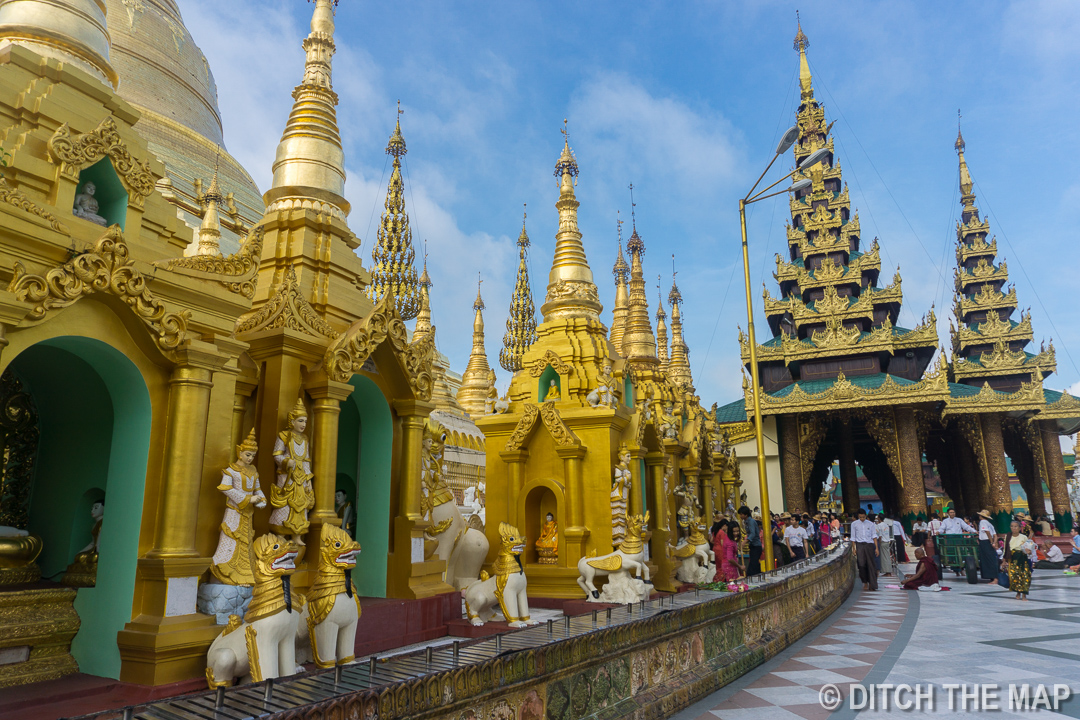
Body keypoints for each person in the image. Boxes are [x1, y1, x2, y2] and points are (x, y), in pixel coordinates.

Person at [1003, 520, 1033, 601]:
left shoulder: (1023, 537)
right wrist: (1004, 560)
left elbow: (1028, 548)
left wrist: (1029, 551)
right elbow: (1006, 549)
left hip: (1022, 558)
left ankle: (1024, 594)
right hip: (1012, 558)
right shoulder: (1008, 536)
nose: (1014, 528)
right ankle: (1018, 592)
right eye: (1012, 526)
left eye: (1016, 526)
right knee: (1014, 576)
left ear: (1020, 528)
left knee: (1025, 576)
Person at [851, 509, 879, 591]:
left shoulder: (870, 524)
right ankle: (865, 582)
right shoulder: (854, 524)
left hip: (869, 545)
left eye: (863, 517)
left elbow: (874, 536)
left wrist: (876, 548)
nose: (862, 518)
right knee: (861, 564)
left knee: (871, 564)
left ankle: (872, 583)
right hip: (859, 545)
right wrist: (854, 548)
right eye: (860, 517)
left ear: (866, 516)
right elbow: (853, 537)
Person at [976, 509, 999, 582]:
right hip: (989, 542)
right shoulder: (990, 523)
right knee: (991, 559)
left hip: (985, 542)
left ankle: (994, 578)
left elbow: (987, 532)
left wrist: (991, 542)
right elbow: (995, 535)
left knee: (988, 559)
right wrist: (994, 543)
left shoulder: (982, 522)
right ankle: (993, 576)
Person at [738, 506, 762, 576]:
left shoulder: (751, 521)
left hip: (756, 546)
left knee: (753, 564)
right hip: (752, 545)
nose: (740, 516)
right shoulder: (746, 522)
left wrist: (745, 541)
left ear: (745, 514)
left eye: (741, 514)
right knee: (754, 563)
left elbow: (752, 533)